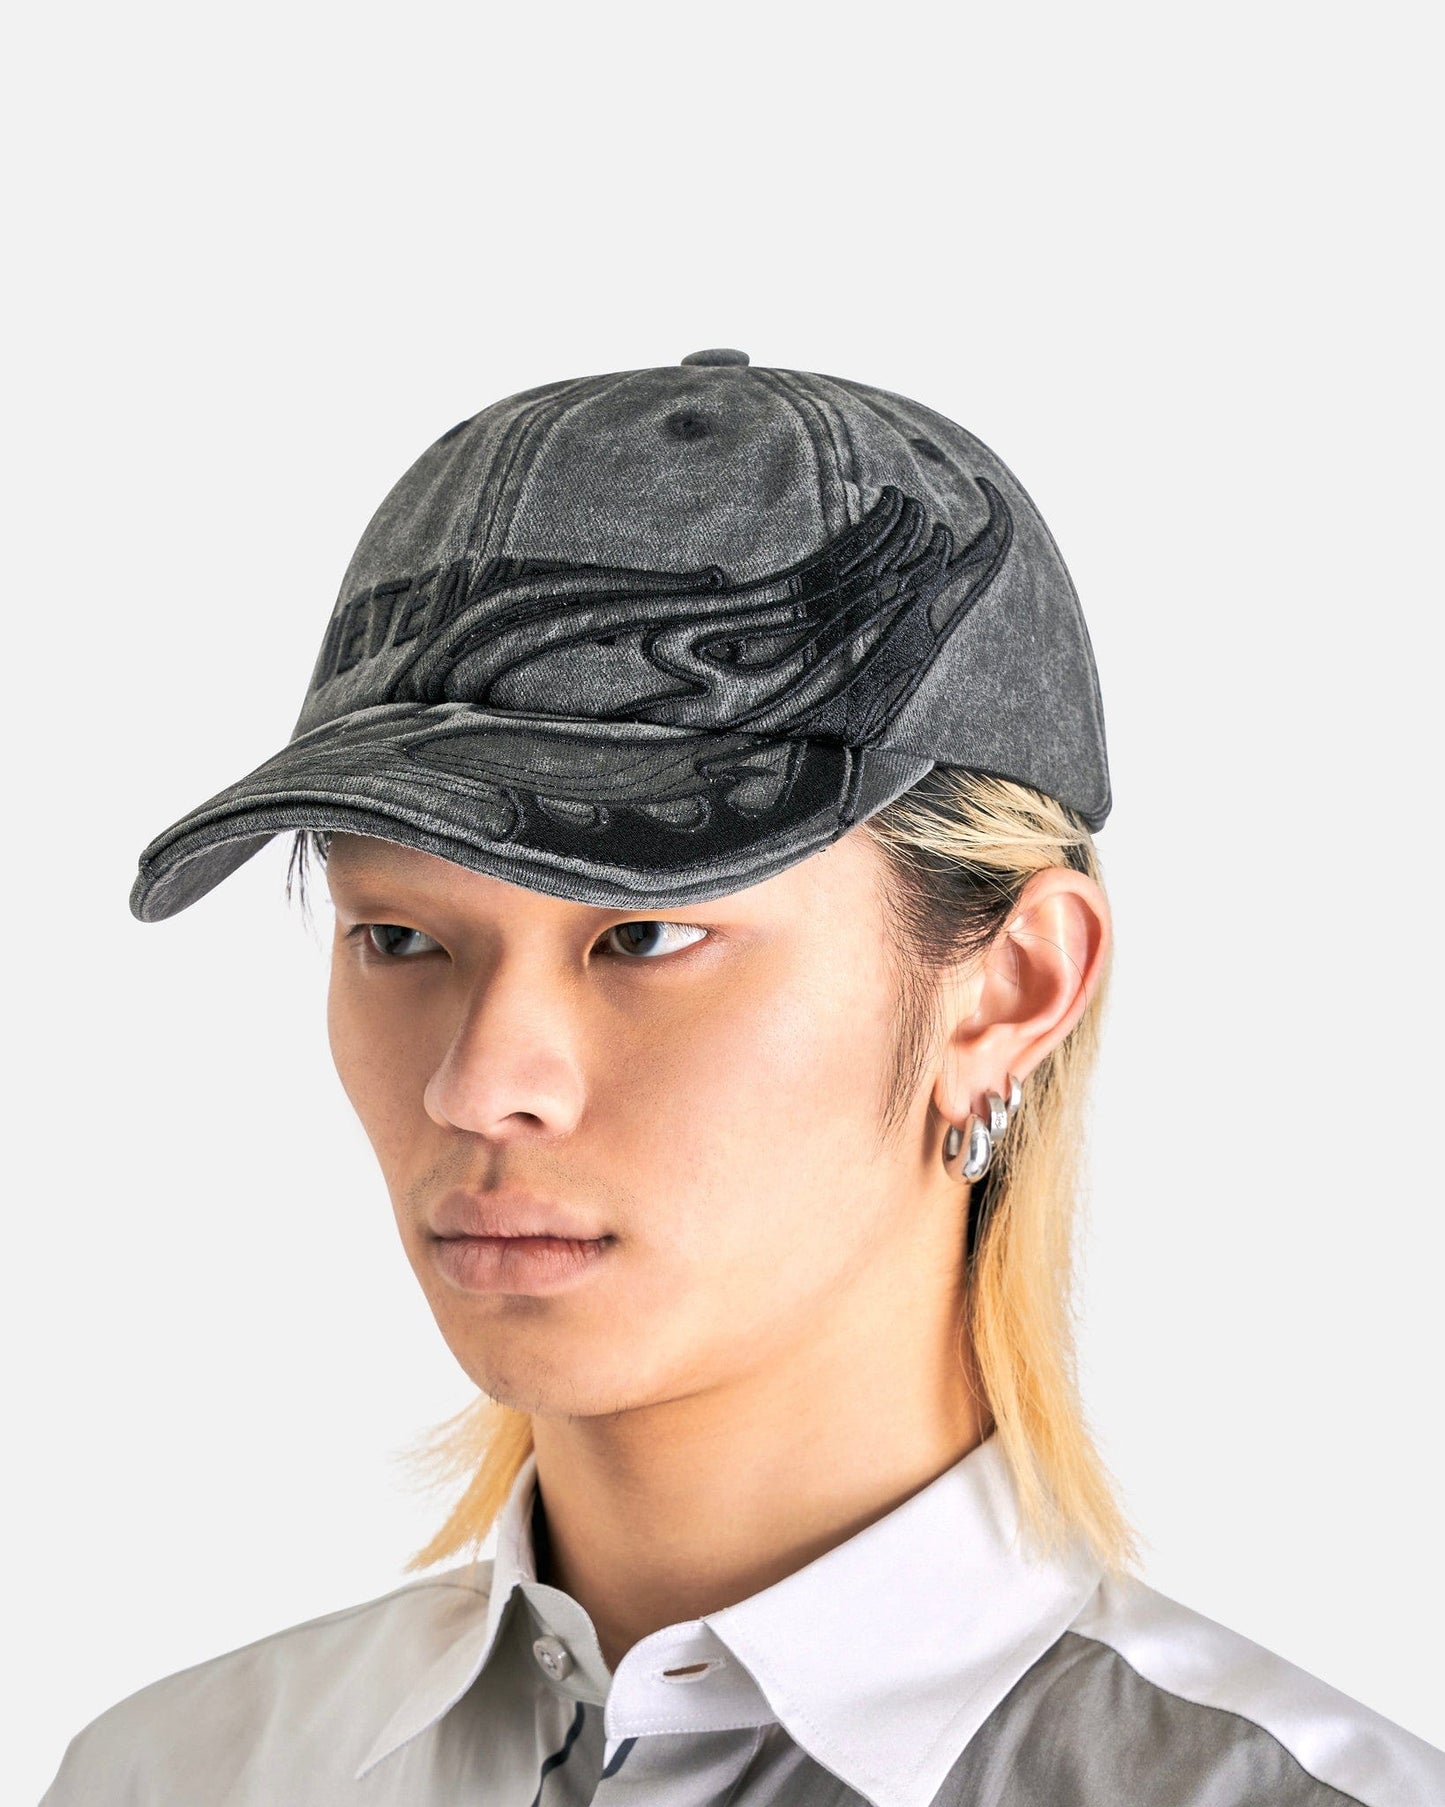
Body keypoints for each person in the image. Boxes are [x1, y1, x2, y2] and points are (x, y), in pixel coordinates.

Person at [42, 350, 1442, 1806]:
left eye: (645, 935)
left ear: (1010, 988)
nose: (479, 1083)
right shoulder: (174, 1777)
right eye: (398, 938)